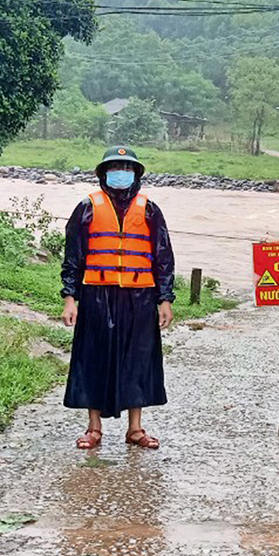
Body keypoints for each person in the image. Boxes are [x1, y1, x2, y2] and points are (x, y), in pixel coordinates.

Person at [61, 145, 175, 450]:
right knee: (93, 357)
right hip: (97, 293)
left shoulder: (149, 209)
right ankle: (93, 428)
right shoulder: (87, 207)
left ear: (135, 174)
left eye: (127, 168)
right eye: (115, 168)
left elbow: (163, 256)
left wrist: (165, 299)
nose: (121, 173)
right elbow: (73, 258)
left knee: (137, 359)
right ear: (104, 173)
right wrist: (70, 298)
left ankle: (135, 429)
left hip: (140, 296)